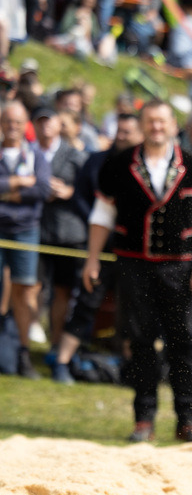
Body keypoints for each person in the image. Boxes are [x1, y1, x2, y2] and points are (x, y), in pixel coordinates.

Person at [84, 100, 192, 443]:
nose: (156, 127)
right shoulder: (118, 165)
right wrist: (92, 259)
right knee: (140, 341)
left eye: (162, 121)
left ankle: (188, 419)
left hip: (179, 268)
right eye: (150, 121)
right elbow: (101, 216)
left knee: (182, 342)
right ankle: (143, 419)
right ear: (142, 126)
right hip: (133, 265)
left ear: (173, 125)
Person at [51, 113, 144, 381]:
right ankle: (62, 362)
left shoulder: (145, 166)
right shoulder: (97, 161)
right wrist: (101, 224)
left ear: (139, 135)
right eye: (119, 131)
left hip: (134, 250)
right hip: (100, 246)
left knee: (133, 309)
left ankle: (134, 369)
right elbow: (81, 197)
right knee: (86, 303)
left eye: (127, 132)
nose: (121, 136)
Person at [32, 104, 87, 370]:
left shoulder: (75, 155)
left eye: (50, 120)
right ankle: (27, 338)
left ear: (58, 124)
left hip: (68, 233)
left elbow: (89, 188)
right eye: (40, 121)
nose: (45, 126)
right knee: (32, 286)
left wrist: (69, 192)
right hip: (36, 229)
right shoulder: (29, 151)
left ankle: (56, 344)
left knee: (62, 290)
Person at [0, 100, 52, 379]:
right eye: (8, 121)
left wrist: (6, 194)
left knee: (23, 292)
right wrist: (18, 183)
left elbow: (42, 188)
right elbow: (32, 188)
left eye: (18, 122)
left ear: (25, 125)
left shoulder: (35, 154)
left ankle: (23, 354)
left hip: (26, 230)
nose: (12, 126)